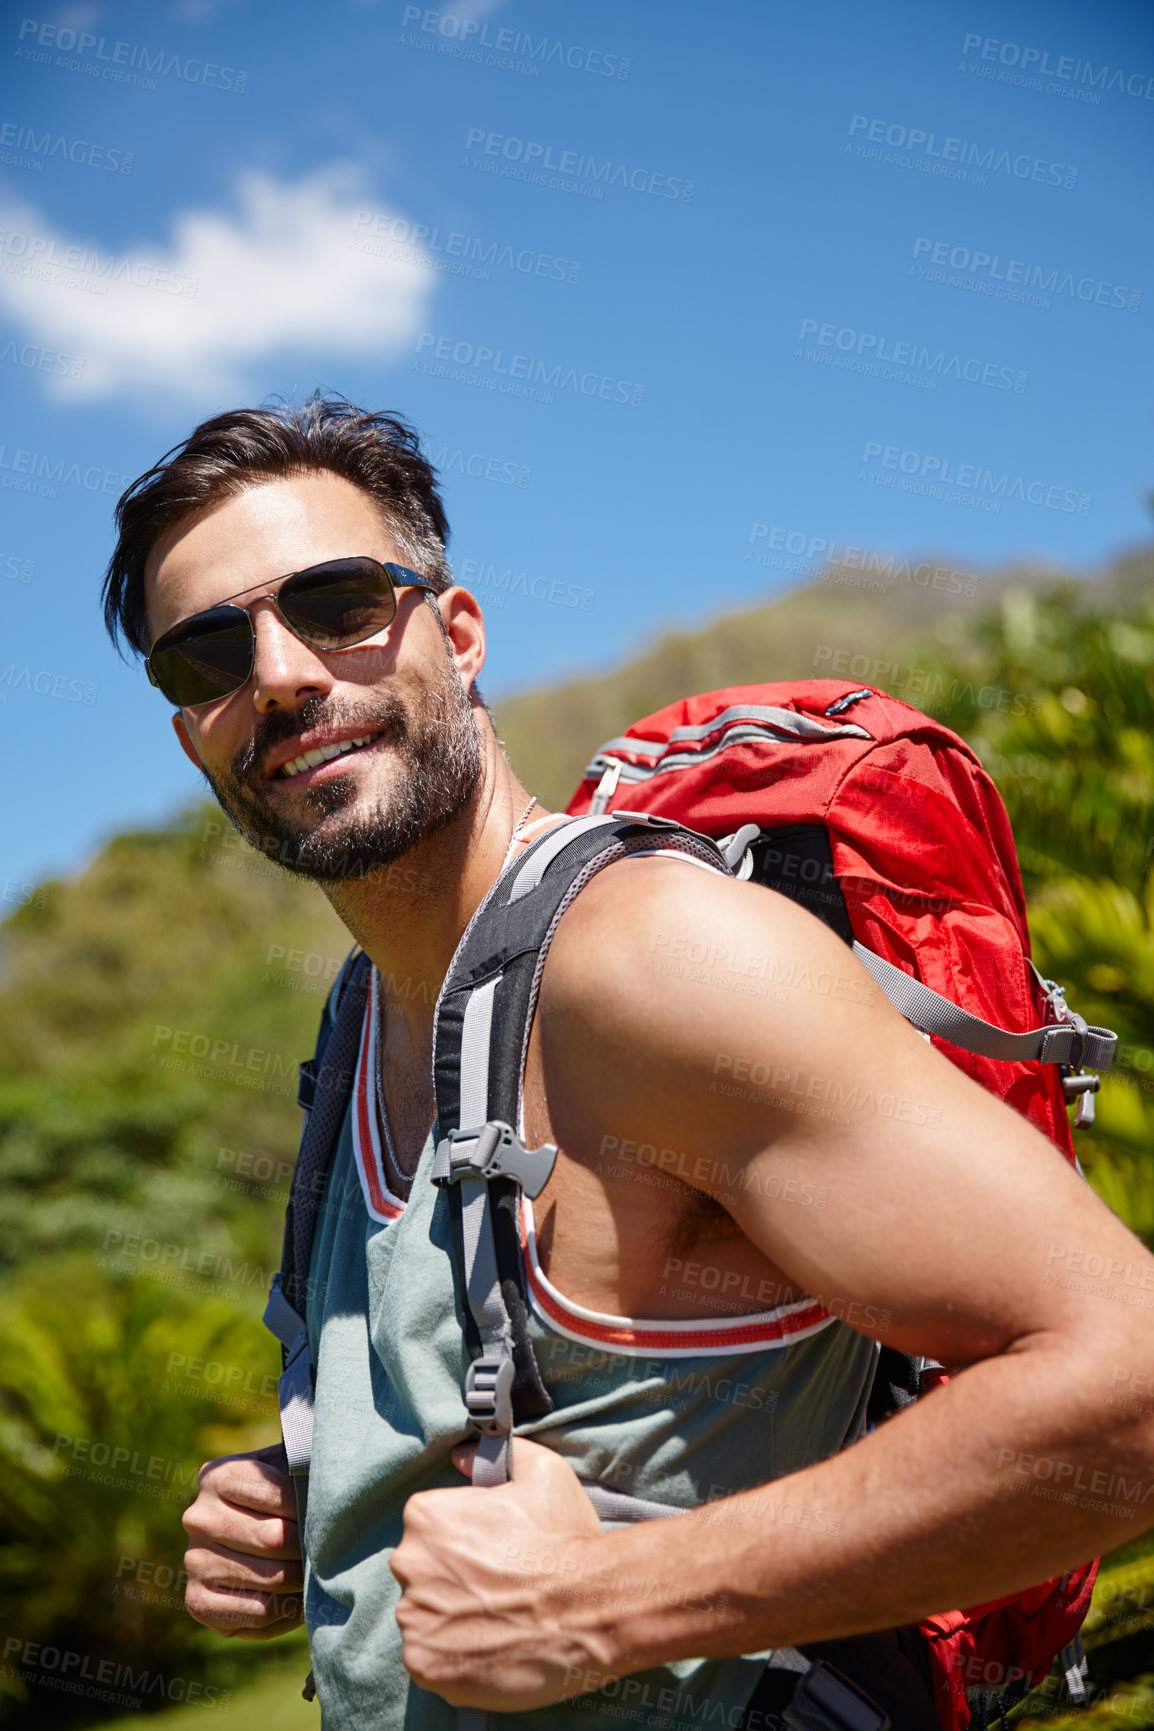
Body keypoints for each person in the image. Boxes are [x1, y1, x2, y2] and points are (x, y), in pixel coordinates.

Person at [103, 397, 1154, 1731]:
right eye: (204, 654)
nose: (283, 674)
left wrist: (600, 1608)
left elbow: (1130, 1393)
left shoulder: (651, 962)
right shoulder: (363, 1020)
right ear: (190, 726)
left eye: (337, 600)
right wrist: (329, 1508)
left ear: (460, 633)